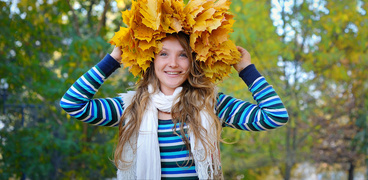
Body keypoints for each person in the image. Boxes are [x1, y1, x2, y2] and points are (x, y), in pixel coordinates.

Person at [61, 32, 288, 179]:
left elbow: (274, 115)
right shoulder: (130, 107)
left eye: (183, 55)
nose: (173, 63)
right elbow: (73, 103)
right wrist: (113, 60)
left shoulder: (212, 105)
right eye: (163, 54)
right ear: (151, 60)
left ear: (193, 62)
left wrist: (246, 70)